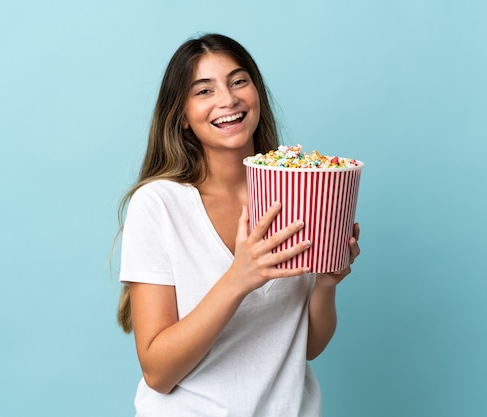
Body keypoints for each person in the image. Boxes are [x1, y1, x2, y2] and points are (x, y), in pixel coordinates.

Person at [116, 33, 360, 416]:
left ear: (256, 93)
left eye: (238, 81)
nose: (227, 100)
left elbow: (305, 346)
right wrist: (239, 277)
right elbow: (158, 372)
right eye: (203, 91)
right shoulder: (159, 204)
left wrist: (327, 283)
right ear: (181, 115)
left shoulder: (295, 191)